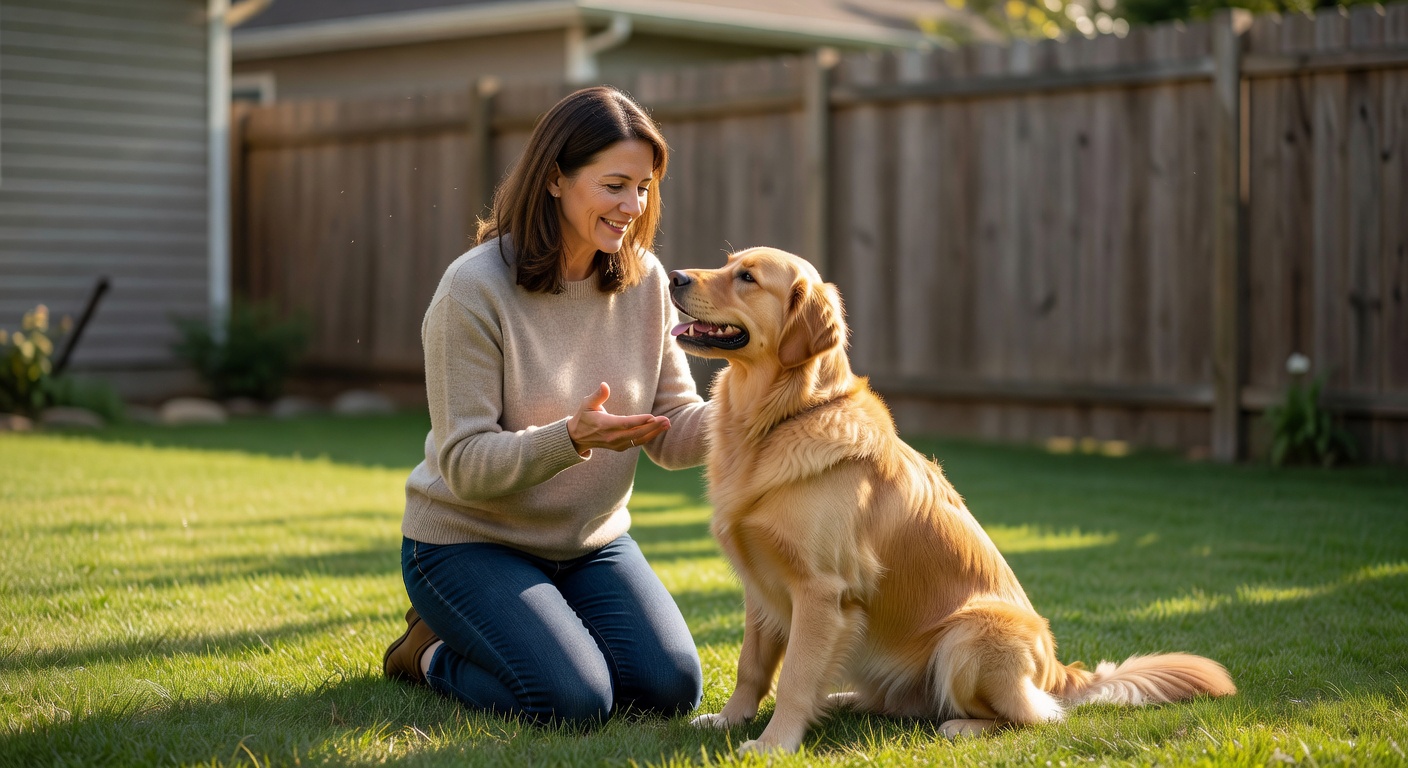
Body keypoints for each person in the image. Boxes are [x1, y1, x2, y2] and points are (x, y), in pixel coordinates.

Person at [381, 86, 711, 728]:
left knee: (670, 689)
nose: (633, 206)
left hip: (590, 545)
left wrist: (764, 405)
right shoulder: (473, 289)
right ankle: (427, 652)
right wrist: (572, 437)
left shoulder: (644, 282)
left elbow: (673, 433)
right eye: (615, 185)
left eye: (643, 188)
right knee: (572, 702)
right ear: (556, 178)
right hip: (468, 543)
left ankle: (547, 627)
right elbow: (466, 465)